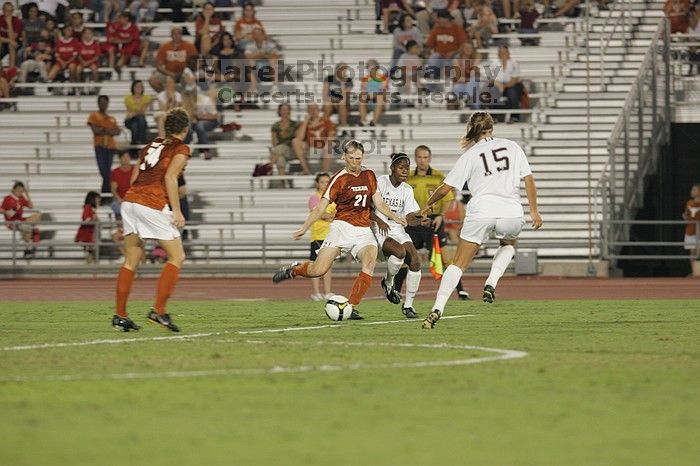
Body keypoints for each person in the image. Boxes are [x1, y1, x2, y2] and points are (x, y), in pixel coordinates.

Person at [421, 112, 542, 329]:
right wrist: (534, 211)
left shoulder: (470, 154)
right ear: (492, 127)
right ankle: (491, 282)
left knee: (458, 263)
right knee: (508, 244)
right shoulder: (512, 146)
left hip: (481, 211)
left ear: (473, 130)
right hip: (511, 211)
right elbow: (529, 179)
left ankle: (437, 308)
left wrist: (428, 205)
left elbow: (446, 188)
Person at [272, 140, 407, 320]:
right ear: (344, 157)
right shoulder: (338, 179)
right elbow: (320, 209)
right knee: (317, 270)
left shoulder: (369, 175)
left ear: (362, 157)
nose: (354, 162)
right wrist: (304, 228)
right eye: (351, 158)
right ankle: (295, 270)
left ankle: (350, 306)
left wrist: (395, 217)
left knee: (369, 264)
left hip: (364, 230)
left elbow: (379, 202)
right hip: (342, 228)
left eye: (358, 158)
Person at [112, 107, 192, 332]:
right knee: (177, 256)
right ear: (185, 129)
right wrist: (177, 210)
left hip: (131, 200)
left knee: (131, 260)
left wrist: (135, 200)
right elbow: (169, 177)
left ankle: (120, 315)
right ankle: (159, 311)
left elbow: (137, 173)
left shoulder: (152, 144)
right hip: (151, 202)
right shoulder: (181, 147)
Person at [393, 144, 470, 300]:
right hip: (413, 222)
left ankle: (460, 291)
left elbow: (448, 197)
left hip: (434, 221)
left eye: (425, 157)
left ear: (430, 158)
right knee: (406, 258)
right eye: (419, 157)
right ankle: (395, 291)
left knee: (446, 258)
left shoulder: (438, 176)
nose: (422, 160)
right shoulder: (408, 177)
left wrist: (441, 215)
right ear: (415, 158)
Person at [371, 153, 426, 318]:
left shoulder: (407, 190)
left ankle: (408, 306)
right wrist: (379, 221)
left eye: (407, 168)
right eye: (401, 167)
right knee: (400, 252)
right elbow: (366, 207)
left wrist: (420, 218)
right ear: (392, 168)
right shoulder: (380, 182)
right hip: (379, 230)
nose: (405, 171)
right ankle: (389, 283)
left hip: (398, 230)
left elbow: (409, 218)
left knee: (416, 262)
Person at [308, 172, 336, 301]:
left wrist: (328, 215)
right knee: (316, 264)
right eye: (322, 182)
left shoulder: (333, 197)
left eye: (327, 182)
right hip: (318, 235)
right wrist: (330, 216)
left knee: (328, 265)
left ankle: (328, 292)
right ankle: (316, 293)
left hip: (331, 234)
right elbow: (319, 214)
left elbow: (337, 212)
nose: (325, 184)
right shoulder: (315, 198)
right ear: (317, 184)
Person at [87, 95, 121, 197]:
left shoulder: (112, 118)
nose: (103, 104)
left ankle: (105, 195)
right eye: (101, 102)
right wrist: (109, 131)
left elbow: (117, 131)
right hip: (100, 146)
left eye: (105, 102)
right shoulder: (94, 115)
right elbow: (95, 130)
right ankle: (107, 195)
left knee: (107, 172)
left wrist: (103, 129)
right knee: (104, 171)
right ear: (98, 103)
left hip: (110, 147)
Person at [149, 26, 198, 92]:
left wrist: (184, 72)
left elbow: (195, 63)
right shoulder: (164, 47)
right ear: (171, 35)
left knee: (192, 77)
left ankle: (186, 95)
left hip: (184, 73)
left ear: (181, 35)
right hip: (168, 73)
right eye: (174, 34)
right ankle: (166, 94)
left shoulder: (190, 46)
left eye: (179, 33)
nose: (176, 36)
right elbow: (158, 66)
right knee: (152, 79)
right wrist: (171, 74)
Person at [292, 102, 336, 174]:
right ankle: (306, 170)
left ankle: (324, 174)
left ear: (318, 110)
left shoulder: (325, 121)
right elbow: (299, 138)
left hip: (324, 148)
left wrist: (327, 144)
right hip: (311, 149)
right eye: (310, 109)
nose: (313, 111)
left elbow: (332, 133)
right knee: (295, 141)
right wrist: (306, 121)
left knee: (329, 146)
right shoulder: (304, 124)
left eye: (315, 109)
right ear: (307, 111)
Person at [2, 181, 41, 258]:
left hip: (20, 220)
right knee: (27, 227)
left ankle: (29, 235)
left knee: (38, 215)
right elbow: (1, 209)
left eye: (21, 191)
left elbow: (31, 206)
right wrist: (7, 212)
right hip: (11, 222)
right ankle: (29, 245)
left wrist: (27, 194)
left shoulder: (22, 198)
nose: (20, 193)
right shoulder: (8, 198)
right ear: (13, 190)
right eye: (18, 191)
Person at [269, 102, 299, 177]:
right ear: (279, 111)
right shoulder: (275, 125)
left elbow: (298, 138)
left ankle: (269, 166)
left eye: (286, 109)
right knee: (280, 159)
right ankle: (282, 182)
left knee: (280, 148)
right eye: (283, 110)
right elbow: (274, 142)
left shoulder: (295, 124)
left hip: (292, 150)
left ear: (289, 111)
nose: (285, 111)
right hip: (280, 152)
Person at [124, 79, 152, 156]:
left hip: (140, 121)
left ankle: (135, 146)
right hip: (130, 120)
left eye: (141, 86)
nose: (139, 88)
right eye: (137, 86)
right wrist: (137, 112)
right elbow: (130, 112)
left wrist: (135, 112)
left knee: (136, 125)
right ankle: (141, 144)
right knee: (139, 120)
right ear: (133, 87)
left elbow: (142, 111)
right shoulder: (128, 98)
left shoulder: (146, 98)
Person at [359, 59, 388, 126]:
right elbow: (363, 91)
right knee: (362, 98)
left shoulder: (382, 78)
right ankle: (363, 121)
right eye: (370, 68)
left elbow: (383, 91)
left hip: (379, 101)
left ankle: (374, 122)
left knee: (380, 97)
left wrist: (374, 95)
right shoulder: (365, 78)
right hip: (369, 100)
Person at [322, 63, 352, 128]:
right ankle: (324, 128)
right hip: (330, 102)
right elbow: (325, 95)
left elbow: (344, 99)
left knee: (342, 106)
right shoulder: (329, 78)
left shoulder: (348, 81)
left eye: (345, 70)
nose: (344, 72)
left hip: (342, 103)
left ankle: (344, 128)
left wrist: (342, 83)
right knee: (327, 105)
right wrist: (333, 101)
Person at [75, 190, 101, 263]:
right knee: (89, 251)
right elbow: (86, 220)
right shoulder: (87, 207)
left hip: (91, 234)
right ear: (92, 199)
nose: (99, 201)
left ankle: (89, 264)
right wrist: (94, 219)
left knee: (90, 251)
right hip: (86, 234)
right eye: (97, 199)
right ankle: (88, 265)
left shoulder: (92, 209)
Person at [682, 182, 700, 276]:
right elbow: (686, 214)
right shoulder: (689, 203)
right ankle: (694, 272)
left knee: (698, 251)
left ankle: (698, 272)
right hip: (691, 230)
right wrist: (685, 216)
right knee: (692, 252)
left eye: (694, 190)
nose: (692, 191)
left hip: (699, 230)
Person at [111, 151, 133, 219]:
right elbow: (113, 190)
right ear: (120, 159)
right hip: (120, 200)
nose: (126, 159)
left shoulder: (135, 170)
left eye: (127, 157)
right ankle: (120, 227)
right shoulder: (115, 172)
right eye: (124, 157)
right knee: (116, 206)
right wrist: (119, 200)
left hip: (133, 199)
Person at [0, 1, 22, 68]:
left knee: (11, 45)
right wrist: (9, 40)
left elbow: (13, 38)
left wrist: (9, 23)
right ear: (3, 11)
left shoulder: (17, 20)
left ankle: (11, 69)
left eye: (11, 11)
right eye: (7, 11)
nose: (9, 13)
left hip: (15, 43)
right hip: (4, 42)